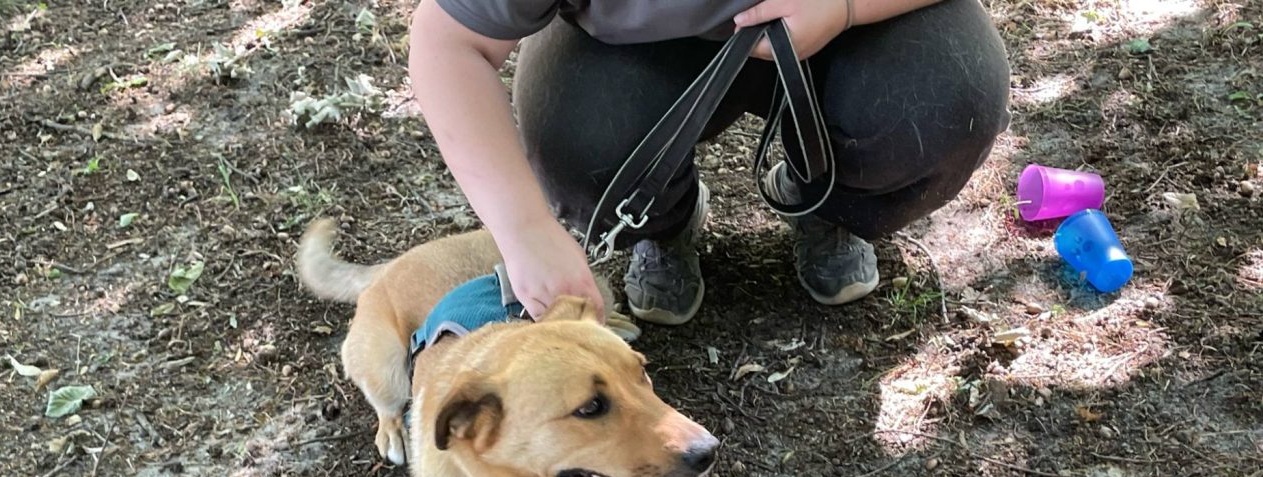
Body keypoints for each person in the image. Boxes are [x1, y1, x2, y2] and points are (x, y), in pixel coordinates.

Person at [407, 0, 1010, 326]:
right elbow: (448, 40)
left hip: (862, 26)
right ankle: (661, 223)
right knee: (578, 143)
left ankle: (828, 202)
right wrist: (525, 231)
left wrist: (846, 8)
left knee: (946, 102)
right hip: (631, 48)